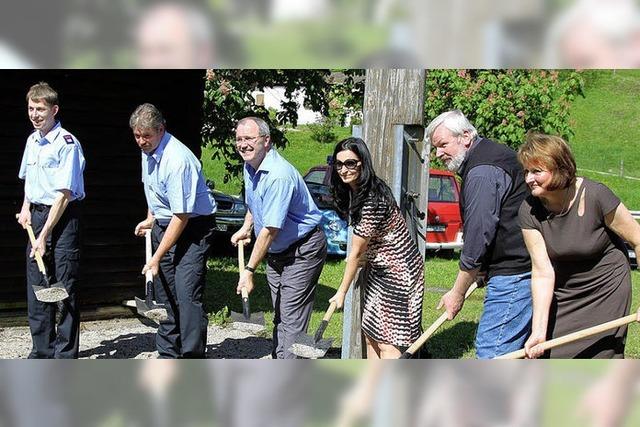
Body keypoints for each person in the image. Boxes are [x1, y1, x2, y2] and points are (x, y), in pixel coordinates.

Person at [518, 132, 640, 358]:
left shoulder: (596, 196)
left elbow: (638, 240)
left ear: (560, 168)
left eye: (536, 171)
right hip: (566, 292)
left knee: (597, 359)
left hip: (606, 287)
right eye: (526, 171)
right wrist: (538, 331)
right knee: (554, 356)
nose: (528, 179)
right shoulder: (529, 209)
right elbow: (542, 272)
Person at [427, 109, 532, 359]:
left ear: (465, 136)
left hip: (515, 275)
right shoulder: (489, 156)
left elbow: (477, 238)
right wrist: (483, 271)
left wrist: (458, 293)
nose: (438, 153)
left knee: (492, 352)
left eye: (443, 145)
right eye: (436, 147)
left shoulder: (482, 171)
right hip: (517, 269)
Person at [230, 116, 327, 359]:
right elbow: (255, 203)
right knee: (281, 314)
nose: (243, 144)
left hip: (302, 249)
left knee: (292, 318)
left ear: (266, 140)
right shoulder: (250, 165)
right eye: (239, 139)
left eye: (249, 138)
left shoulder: (278, 175)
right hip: (277, 251)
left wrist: (250, 270)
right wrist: (246, 227)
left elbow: (271, 229)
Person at [131, 103, 216, 359]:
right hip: (165, 224)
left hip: (193, 228)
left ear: (161, 129)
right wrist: (150, 218)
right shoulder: (147, 152)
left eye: (146, 135)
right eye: (137, 135)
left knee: (187, 293)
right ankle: (168, 354)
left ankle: (192, 356)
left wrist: (155, 258)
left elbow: (181, 215)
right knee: (165, 293)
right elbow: (153, 190)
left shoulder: (178, 160)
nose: (141, 141)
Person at [328, 137, 424, 359]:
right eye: (339, 164)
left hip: (400, 272)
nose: (344, 169)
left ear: (362, 163)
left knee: (389, 341)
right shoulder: (356, 192)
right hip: (378, 269)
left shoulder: (372, 199)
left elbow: (356, 253)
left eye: (350, 163)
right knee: (371, 334)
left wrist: (341, 292)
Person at [16, 82, 85, 359]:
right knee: (39, 286)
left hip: (63, 217)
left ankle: (65, 354)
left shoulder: (67, 144)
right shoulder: (32, 141)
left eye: (40, 109)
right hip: (37, 216)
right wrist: (25, 207)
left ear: (54, 110)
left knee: (62, 287)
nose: (35, 114)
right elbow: (30, 181)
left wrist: (44, 236)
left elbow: (64, 195)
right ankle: (42, 350)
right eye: (31, 108)